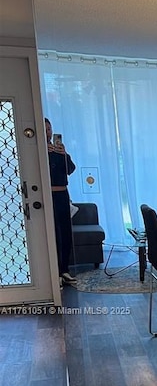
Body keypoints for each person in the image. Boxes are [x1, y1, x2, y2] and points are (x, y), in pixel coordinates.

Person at [45, 118, 77, 286]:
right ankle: (54, 272)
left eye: (49, 129)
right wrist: (45, 153)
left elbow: (70, 170)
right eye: (44, 129)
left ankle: (65, 270)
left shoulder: (60, 151)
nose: (48, 133)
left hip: (63, 195)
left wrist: (64, 155)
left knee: (65, 233)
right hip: (46, 197)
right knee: (53, 234)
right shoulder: (37, 152)